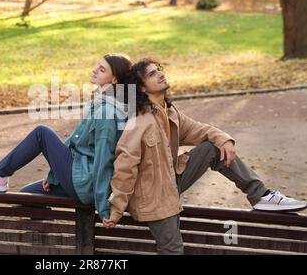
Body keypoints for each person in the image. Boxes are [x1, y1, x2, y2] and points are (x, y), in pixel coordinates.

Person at [103, 57, 307, 255]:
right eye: (152, 73)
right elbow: (125, 166)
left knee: (214, 147)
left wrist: (224, 139)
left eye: (160, 69)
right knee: (172, 250)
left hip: (171, 182)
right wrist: (117, 208)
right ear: (141, 88)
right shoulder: (139, 122)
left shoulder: (170, 112)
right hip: (153, 197)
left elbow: (200, 130)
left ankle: (260, 195)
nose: (161, 74)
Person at [0, 54, 132, 220]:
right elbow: (76, 144)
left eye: (102, 69)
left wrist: (103, 208)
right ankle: (44, 241)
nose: (95, 70)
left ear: (114, 80)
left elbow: (104, 160)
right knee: (28, 195)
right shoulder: (101, 104)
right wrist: (55, 175)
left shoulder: (107, 113)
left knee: (42, 134)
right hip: (79, 175)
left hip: (85, 182)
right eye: (98, 66)